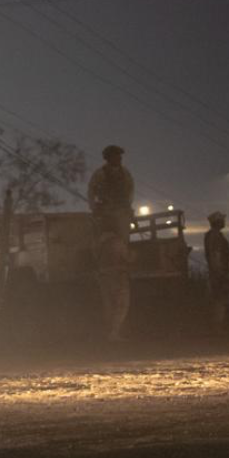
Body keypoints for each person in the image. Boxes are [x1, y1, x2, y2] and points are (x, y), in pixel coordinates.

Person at [87, 145, 135, 342]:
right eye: (115, 155)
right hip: (106, 212)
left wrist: (126, 208)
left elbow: (130, 192)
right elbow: (92, 193)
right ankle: (113, 332)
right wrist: (97, 208)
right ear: (108, 157)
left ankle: (113, 332)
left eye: (120, 156)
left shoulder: (125, 174)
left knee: (118, 241)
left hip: (120, 212)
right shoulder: (100, 174)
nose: (119, 158)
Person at [206, 211, 229, 335]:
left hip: (218, 274)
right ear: (217, 222)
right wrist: (222, 274)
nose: (224, 222)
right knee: (220, 301)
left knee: (221, 301)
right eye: (222, 220)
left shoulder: (214, 235)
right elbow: (216, 256)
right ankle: (217, 329)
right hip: (219, 275)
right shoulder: (215, 237)